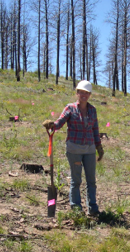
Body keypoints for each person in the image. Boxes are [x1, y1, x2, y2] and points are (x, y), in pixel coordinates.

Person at [42, 80, 104, 216]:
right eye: (81, 92)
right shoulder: (70, 108)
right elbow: (60, 122)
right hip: (74, 149)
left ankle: (93, 208)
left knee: (91, 180)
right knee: (76, 180)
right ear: (77, 93)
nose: (84, 95)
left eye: (86, 93)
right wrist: (52, 125)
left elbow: (95, 129)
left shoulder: (92, 110)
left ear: (89, 95)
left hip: (89, 150)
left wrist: (98, 146)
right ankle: (76, 208)